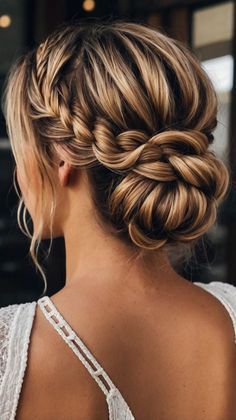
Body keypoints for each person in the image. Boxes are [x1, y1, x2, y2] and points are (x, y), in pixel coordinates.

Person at [0, 17, 236, 420]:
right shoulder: (229, 315)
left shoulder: (10, 354)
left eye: (21, 147)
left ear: (60, 156)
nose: (18, 173)